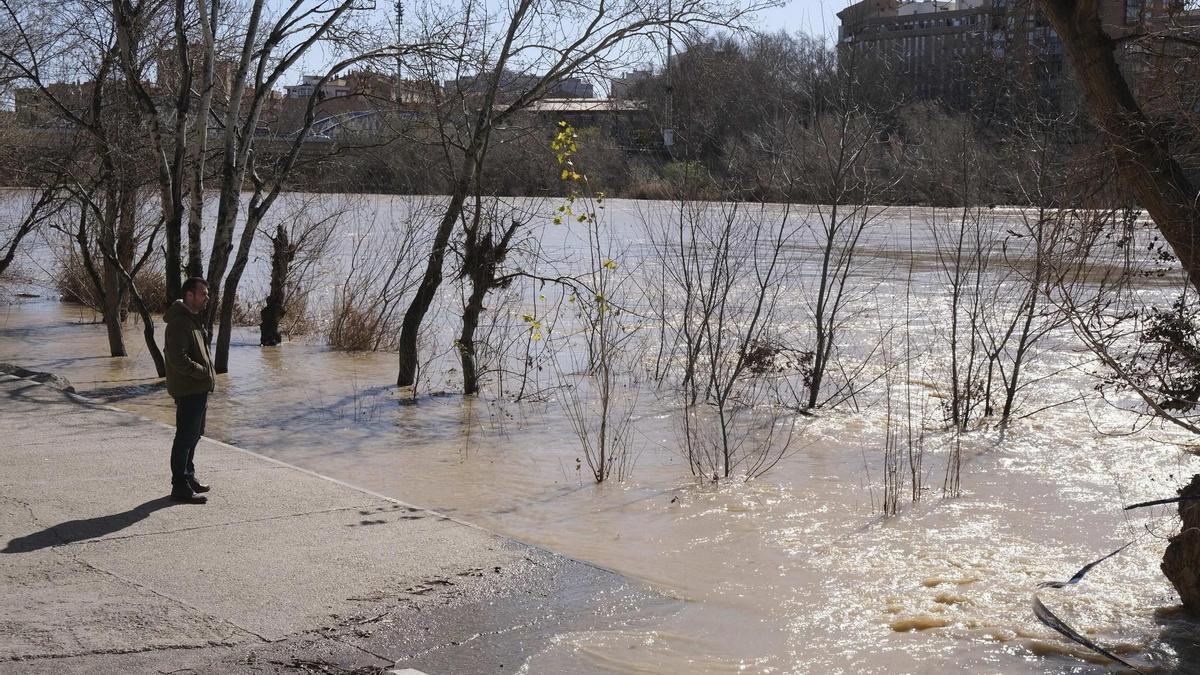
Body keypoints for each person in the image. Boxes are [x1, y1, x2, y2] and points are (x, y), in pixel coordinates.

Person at [164, 277, 216, 504]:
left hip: (198, 388)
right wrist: (202, 372)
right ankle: (179, 486)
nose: (207, 297)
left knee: (195, 435)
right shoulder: (179, 323)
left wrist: (204, 376)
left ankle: (189, 477)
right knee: (185, 438)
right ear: (190, 295)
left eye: (207, 293)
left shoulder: (192, 319)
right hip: (189, 389)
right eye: (203, 293)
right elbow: (177, 358)